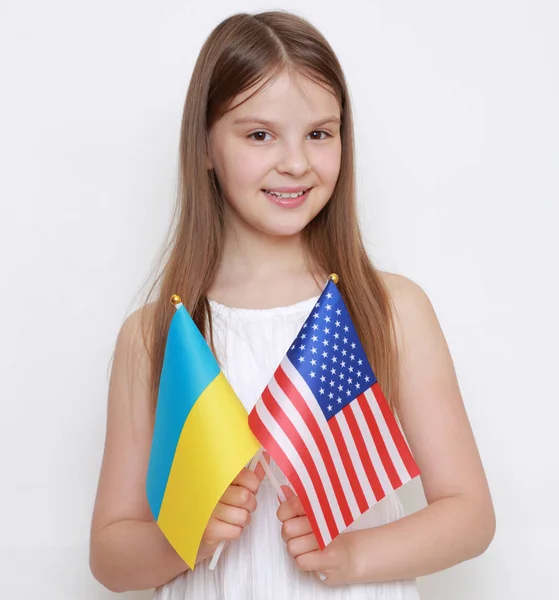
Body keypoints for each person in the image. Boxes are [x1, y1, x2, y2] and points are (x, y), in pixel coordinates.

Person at [89, 9, 495, 599]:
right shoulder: (158, 336)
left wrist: (352, 554)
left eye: (319, 133)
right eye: (259, 134)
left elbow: (469, 514)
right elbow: (109, 553)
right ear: (205, 145)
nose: (297, 162)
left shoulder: (388, 310)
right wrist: (185, 538)